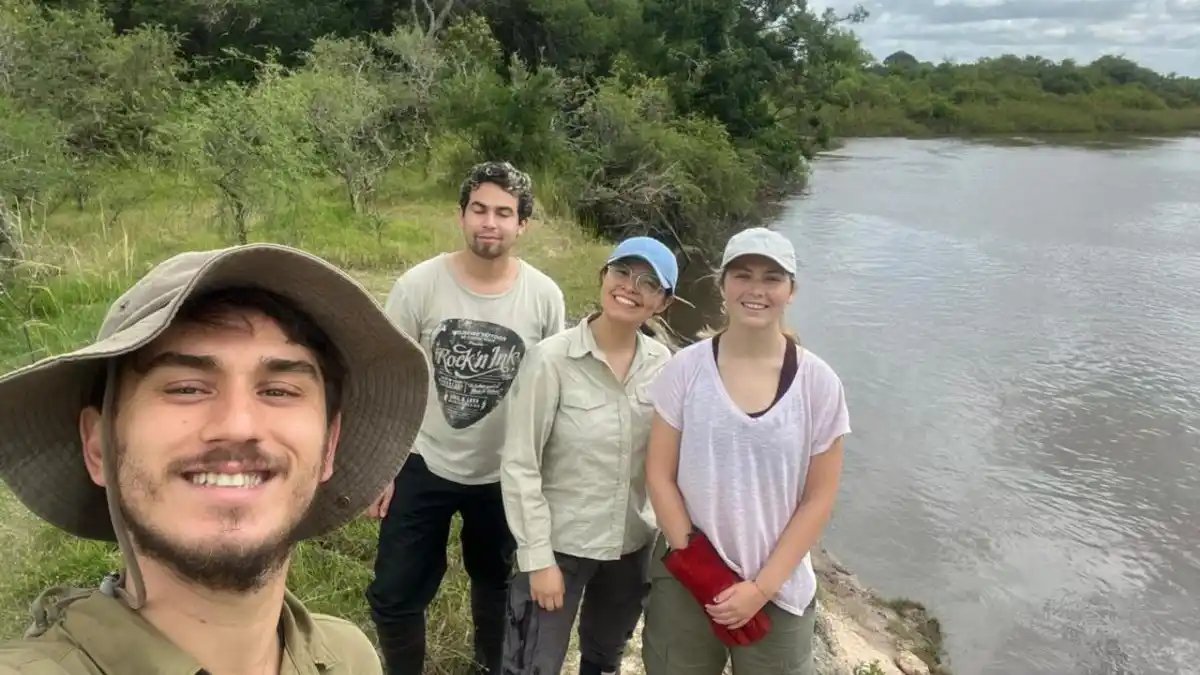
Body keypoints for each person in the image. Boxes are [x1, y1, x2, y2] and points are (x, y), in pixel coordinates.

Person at [0, 243, 431, 674]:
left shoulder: (348, 658)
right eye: (187, 388)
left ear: (328, 447)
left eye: (278, 391)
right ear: (99, 447)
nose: (238, 425)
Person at [365, 161, 567, 675]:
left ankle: (487, 668)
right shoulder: (420, 285)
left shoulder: (544, 297)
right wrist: (382, 464)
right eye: (479, 209)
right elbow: (389, 373)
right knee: (393, 592)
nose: (489, 222)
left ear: (522, 224)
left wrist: (547, 479)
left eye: (504, 213)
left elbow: (551, 395)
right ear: (461, 214)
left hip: (505, 472)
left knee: (498, 585)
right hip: (422, 459)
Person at [640, 227, 851, 675]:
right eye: (743, 275)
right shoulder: (684, 371)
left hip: (780, 589)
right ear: (722, 286)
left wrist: (759, 588)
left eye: (772, 278)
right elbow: (659, 475)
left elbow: (819, 497)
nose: (756, 290)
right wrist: (703, 570)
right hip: (686, 576)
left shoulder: (819, 384)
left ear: (791, 290)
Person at [500, 236, 681, 675]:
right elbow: (520, 463)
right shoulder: (551, 360)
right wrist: (538, 559)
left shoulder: (667, 366)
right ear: (603, 277)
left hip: (629, 548)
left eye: (648, 282)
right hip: (560, 545)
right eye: (621, 273)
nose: (630, 287)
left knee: (603, 661)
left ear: (662, 302)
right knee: (530, 663)